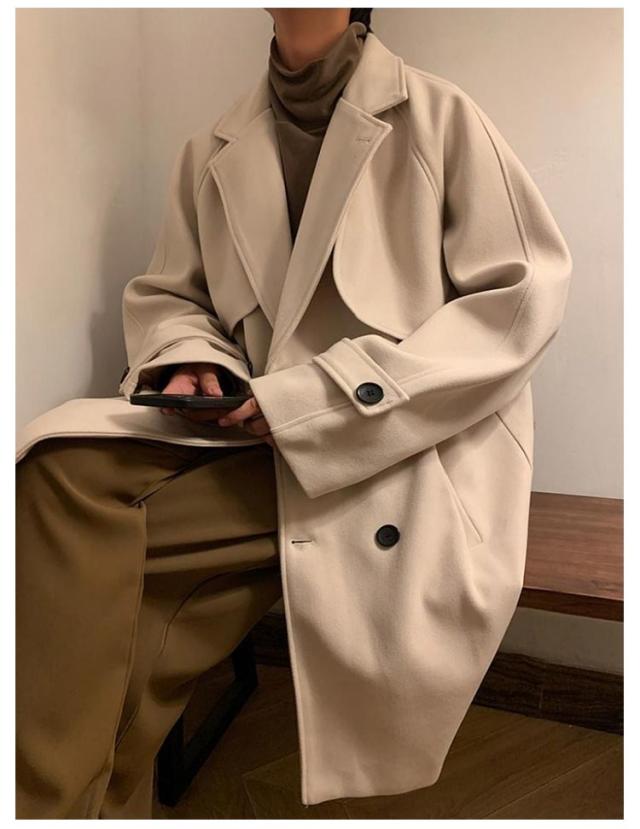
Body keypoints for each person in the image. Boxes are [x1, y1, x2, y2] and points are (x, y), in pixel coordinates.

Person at [16, 6, 573, 818]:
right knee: (55, 465)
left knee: (118, 581)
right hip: (257, 439)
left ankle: (60, 801)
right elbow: (171, 296)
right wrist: (195, 361)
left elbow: (519, 303)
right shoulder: (210, 150)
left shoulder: (440, 118)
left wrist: (316, 402)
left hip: (406, 452)